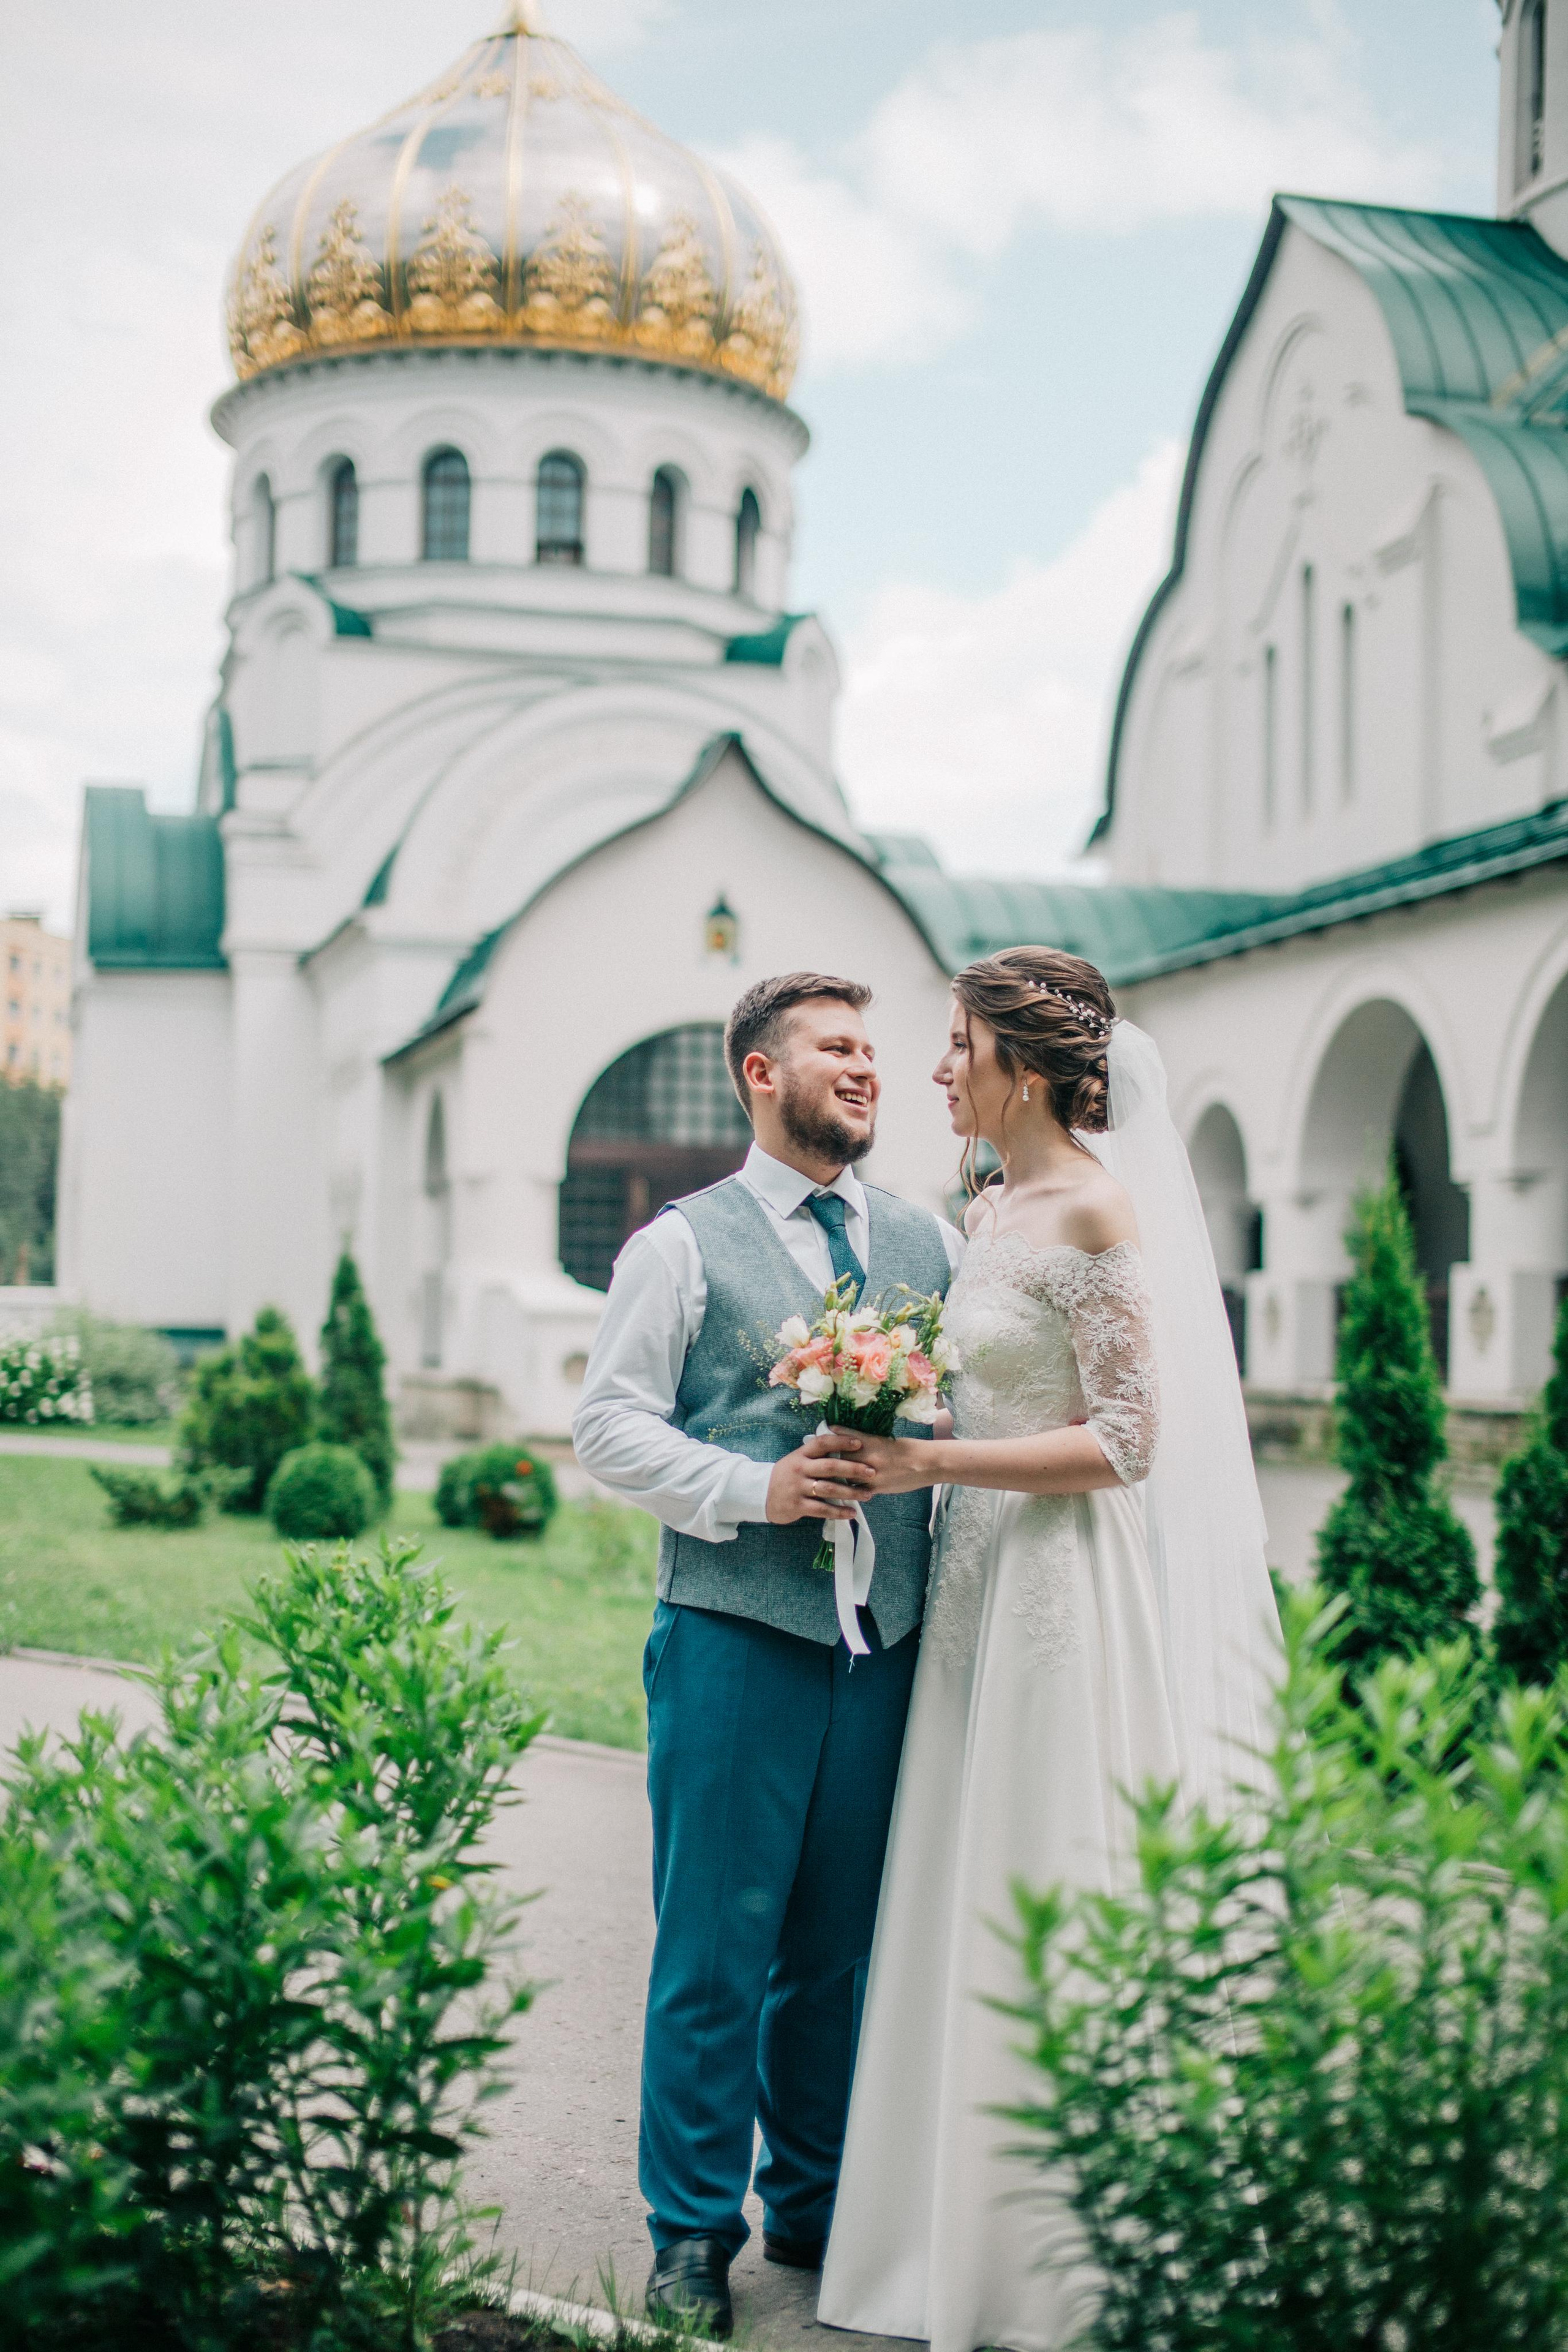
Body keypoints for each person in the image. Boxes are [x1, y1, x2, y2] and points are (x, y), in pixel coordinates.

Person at [817, 947, 1280, 2352]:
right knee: (955, 1870)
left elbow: (1130, 1441)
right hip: (968, 1582)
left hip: (1059, 1593)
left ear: (1020, 1061)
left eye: (954, 1045)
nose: (936, 1070)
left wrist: (926, 1460)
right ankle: (927, 2239)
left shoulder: (1090, 1210)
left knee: (1037, 1870)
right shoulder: (987, 1204)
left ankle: (1051, 2269)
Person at [571, 971, 963, 2339]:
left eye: (871, 1049)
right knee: (713, 1949)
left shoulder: (924, 1241)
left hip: (886, 1647)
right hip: (737, 1636)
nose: (865, 1069)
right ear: (760, 1075)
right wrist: (755, 1491)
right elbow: (607, 1427)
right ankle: (690, 2232)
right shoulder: (678, 1246)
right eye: (834, 1050)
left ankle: (814, 2204)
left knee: (839, 1952)